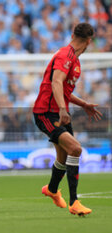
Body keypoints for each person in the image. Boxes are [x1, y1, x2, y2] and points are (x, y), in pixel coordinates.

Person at [33, 23, 102, 216]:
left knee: (63, 158)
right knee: (75, 149)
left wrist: (83, 104)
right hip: (47, 113)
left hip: (60, 112)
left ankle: (52, 190)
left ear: (73, 34)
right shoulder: (66, 56)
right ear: (89, 41)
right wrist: (63, 109)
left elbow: (62, 89)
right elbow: (56, 82)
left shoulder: (75, 60)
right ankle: (75, 202)